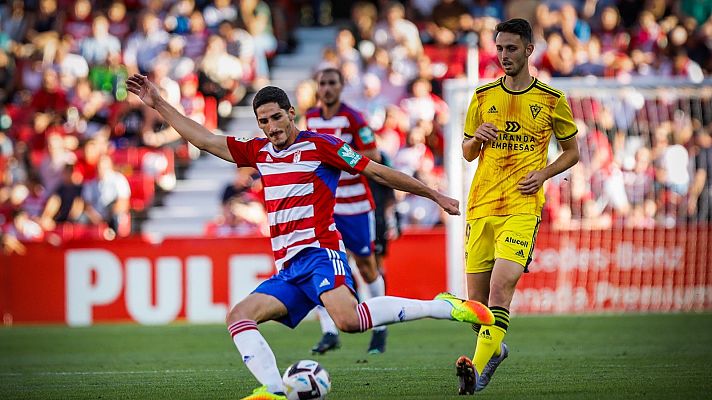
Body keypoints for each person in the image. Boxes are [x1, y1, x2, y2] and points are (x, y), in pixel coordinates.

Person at [126, 74, 495, 400]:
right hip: (288, 268)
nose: (271, 127)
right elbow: (204, 139)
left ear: (291, 114)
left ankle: (444, 306)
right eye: (263, 122)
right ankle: (273, 390)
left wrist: (433, 194)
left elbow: (378, 172)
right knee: (239, 316)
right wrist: (158, 102)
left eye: (275, 117)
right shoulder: (259, 152)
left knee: (349, 322)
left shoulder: (322, 146)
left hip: (320, 253)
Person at [456, 18, 580, 395]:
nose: (504, 55)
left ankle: (474, 371)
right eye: (499, 48)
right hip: (481, 207)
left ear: (529, 49)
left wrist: (543, 174)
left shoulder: (551, 99)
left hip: (523, 207)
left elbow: (572, 153)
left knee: (500, 290)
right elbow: (466, 152)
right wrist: (476, 138)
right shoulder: (481, 97)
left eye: (511, 48)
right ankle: (495, 349)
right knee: (477, 308)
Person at [305, 67, 388, 354]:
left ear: (341, 86)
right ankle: (329, 331)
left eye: (332, 83)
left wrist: (338, 159)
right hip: (324, 205)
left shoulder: (354, 117)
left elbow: (374, 155)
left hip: (355, 205)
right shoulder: (311, 117)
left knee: (367, 267)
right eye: (323, 83)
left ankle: (380, 327)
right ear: (317, 87)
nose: (327, 88)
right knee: (318, 264)